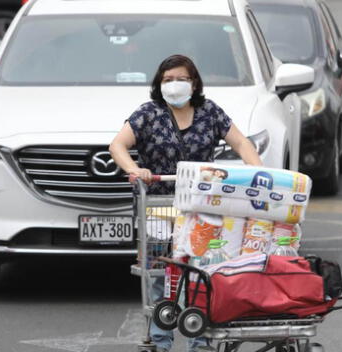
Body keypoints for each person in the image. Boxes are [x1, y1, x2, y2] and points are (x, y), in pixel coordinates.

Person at [109, 54, 262, 352]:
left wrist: (259, 171)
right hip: (159, 207)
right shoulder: (148, 114)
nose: (174, 85)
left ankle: (200, 340)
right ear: (159, 84)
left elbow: (242, 142)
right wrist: (134, 169)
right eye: (168, 80)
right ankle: (159, 340)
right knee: (159, 276)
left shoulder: (210, 113)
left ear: (194, 83)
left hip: (202, 208)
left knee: (202, 273)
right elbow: (117, 145)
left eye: (181, 79)